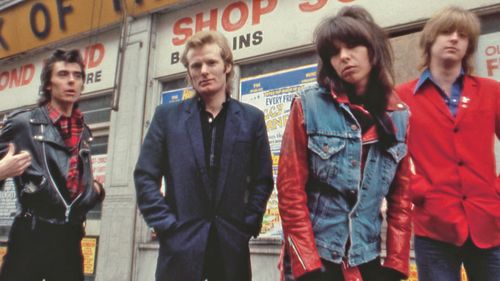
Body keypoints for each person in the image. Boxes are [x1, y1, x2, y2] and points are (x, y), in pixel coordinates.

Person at [277, 6, 411, 281]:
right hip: (317, 258)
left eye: (352, 46)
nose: (344, 57)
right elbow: (291, 191)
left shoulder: (399, 115)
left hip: (367, 258)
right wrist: (308, 265)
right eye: (334, 53)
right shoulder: (308, 105)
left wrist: (396, 264)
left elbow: (401, 199)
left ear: (373, 49)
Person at [134, 30, 273, 281]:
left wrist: (249, 223)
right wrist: (165, 225)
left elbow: (262, 179)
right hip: (180, 248)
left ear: (227, 66)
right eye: (195, 65)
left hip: (231, 250)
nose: (204, 71)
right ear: (189, 72)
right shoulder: (167, 117)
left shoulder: (252, 119)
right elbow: (145, 177)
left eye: (211, 62)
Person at [397, 6, 500, 281]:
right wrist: (418, 192)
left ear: (469, 46)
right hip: (434, 227)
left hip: (488, 224)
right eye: (446, 31)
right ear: (430, 39)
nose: (455, 38)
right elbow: (387, 156)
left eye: (463, 35)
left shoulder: (491, 92)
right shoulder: (401, 97)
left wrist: (497, 189)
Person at [0, 49, 105, 281]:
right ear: (48, 84)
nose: (71, 81)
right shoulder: (23, 124)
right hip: (31, 235)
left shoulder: (83, 132)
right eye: (63, 74)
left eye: (77, 76)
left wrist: (95, 192)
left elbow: (74, 187)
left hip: (69, 236)